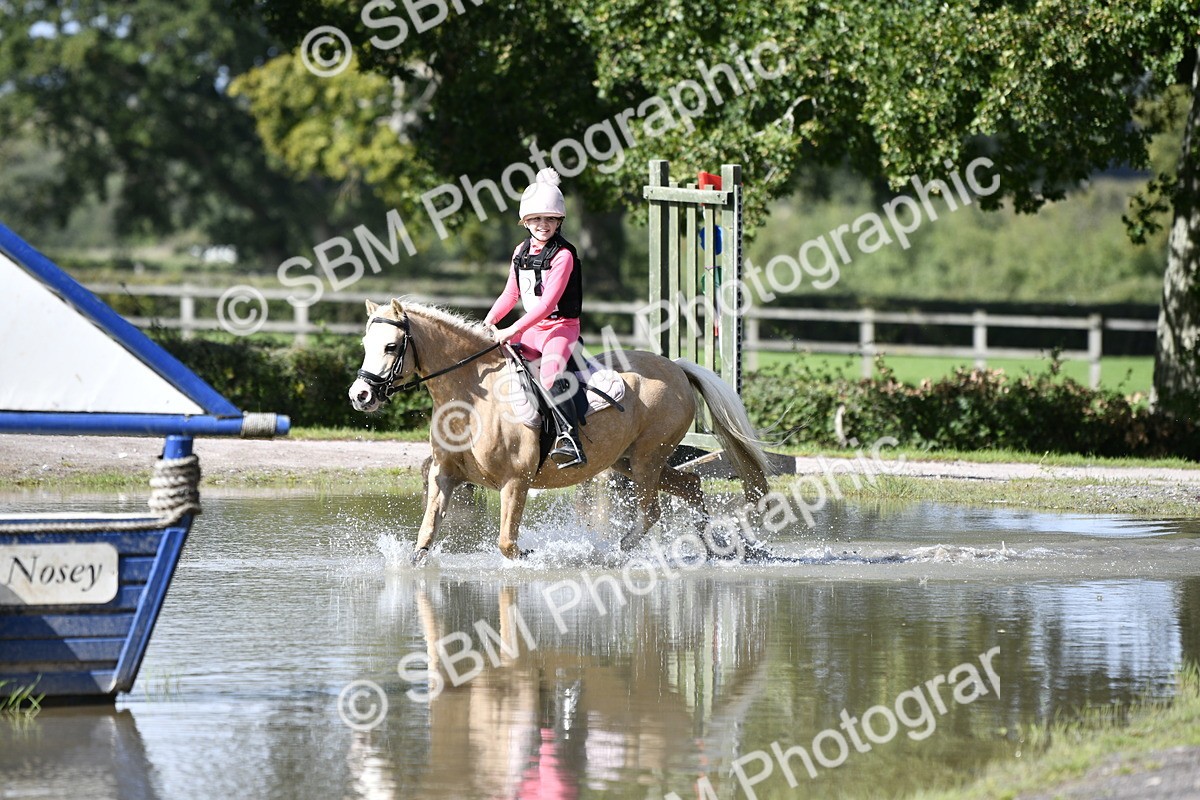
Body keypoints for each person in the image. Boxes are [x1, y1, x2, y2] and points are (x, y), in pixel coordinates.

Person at [484, 167, 586, 468]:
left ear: (559, 221)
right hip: (532, 328)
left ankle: (570, 439)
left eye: (550, 219)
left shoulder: (564, 255)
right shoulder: (520, 251)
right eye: (537, 219)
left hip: (560, 328)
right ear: (526, 221)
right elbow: (509, 296)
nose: (543, 224)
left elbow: (547, 304)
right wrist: (487, 324)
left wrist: (510, 329)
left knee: (551, 374)